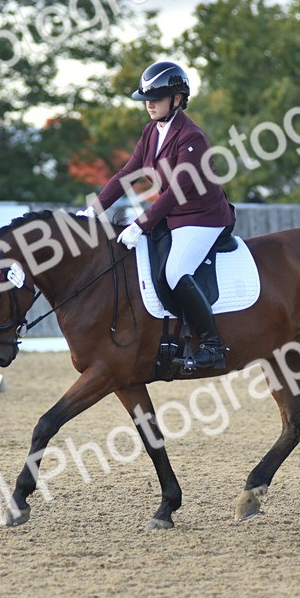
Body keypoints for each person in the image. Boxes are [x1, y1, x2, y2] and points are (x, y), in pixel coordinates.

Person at [80, 61, 236, 374]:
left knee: (175, 272)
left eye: (157, 98)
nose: (149, 104)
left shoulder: (192, 137)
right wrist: (93, 210)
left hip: (202, 217)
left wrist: (140, 225)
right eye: (146, 99)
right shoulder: (152, 131)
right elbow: (127, 174)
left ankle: (211, 345)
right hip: (174, 216)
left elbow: (177, 191)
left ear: (177, 99)